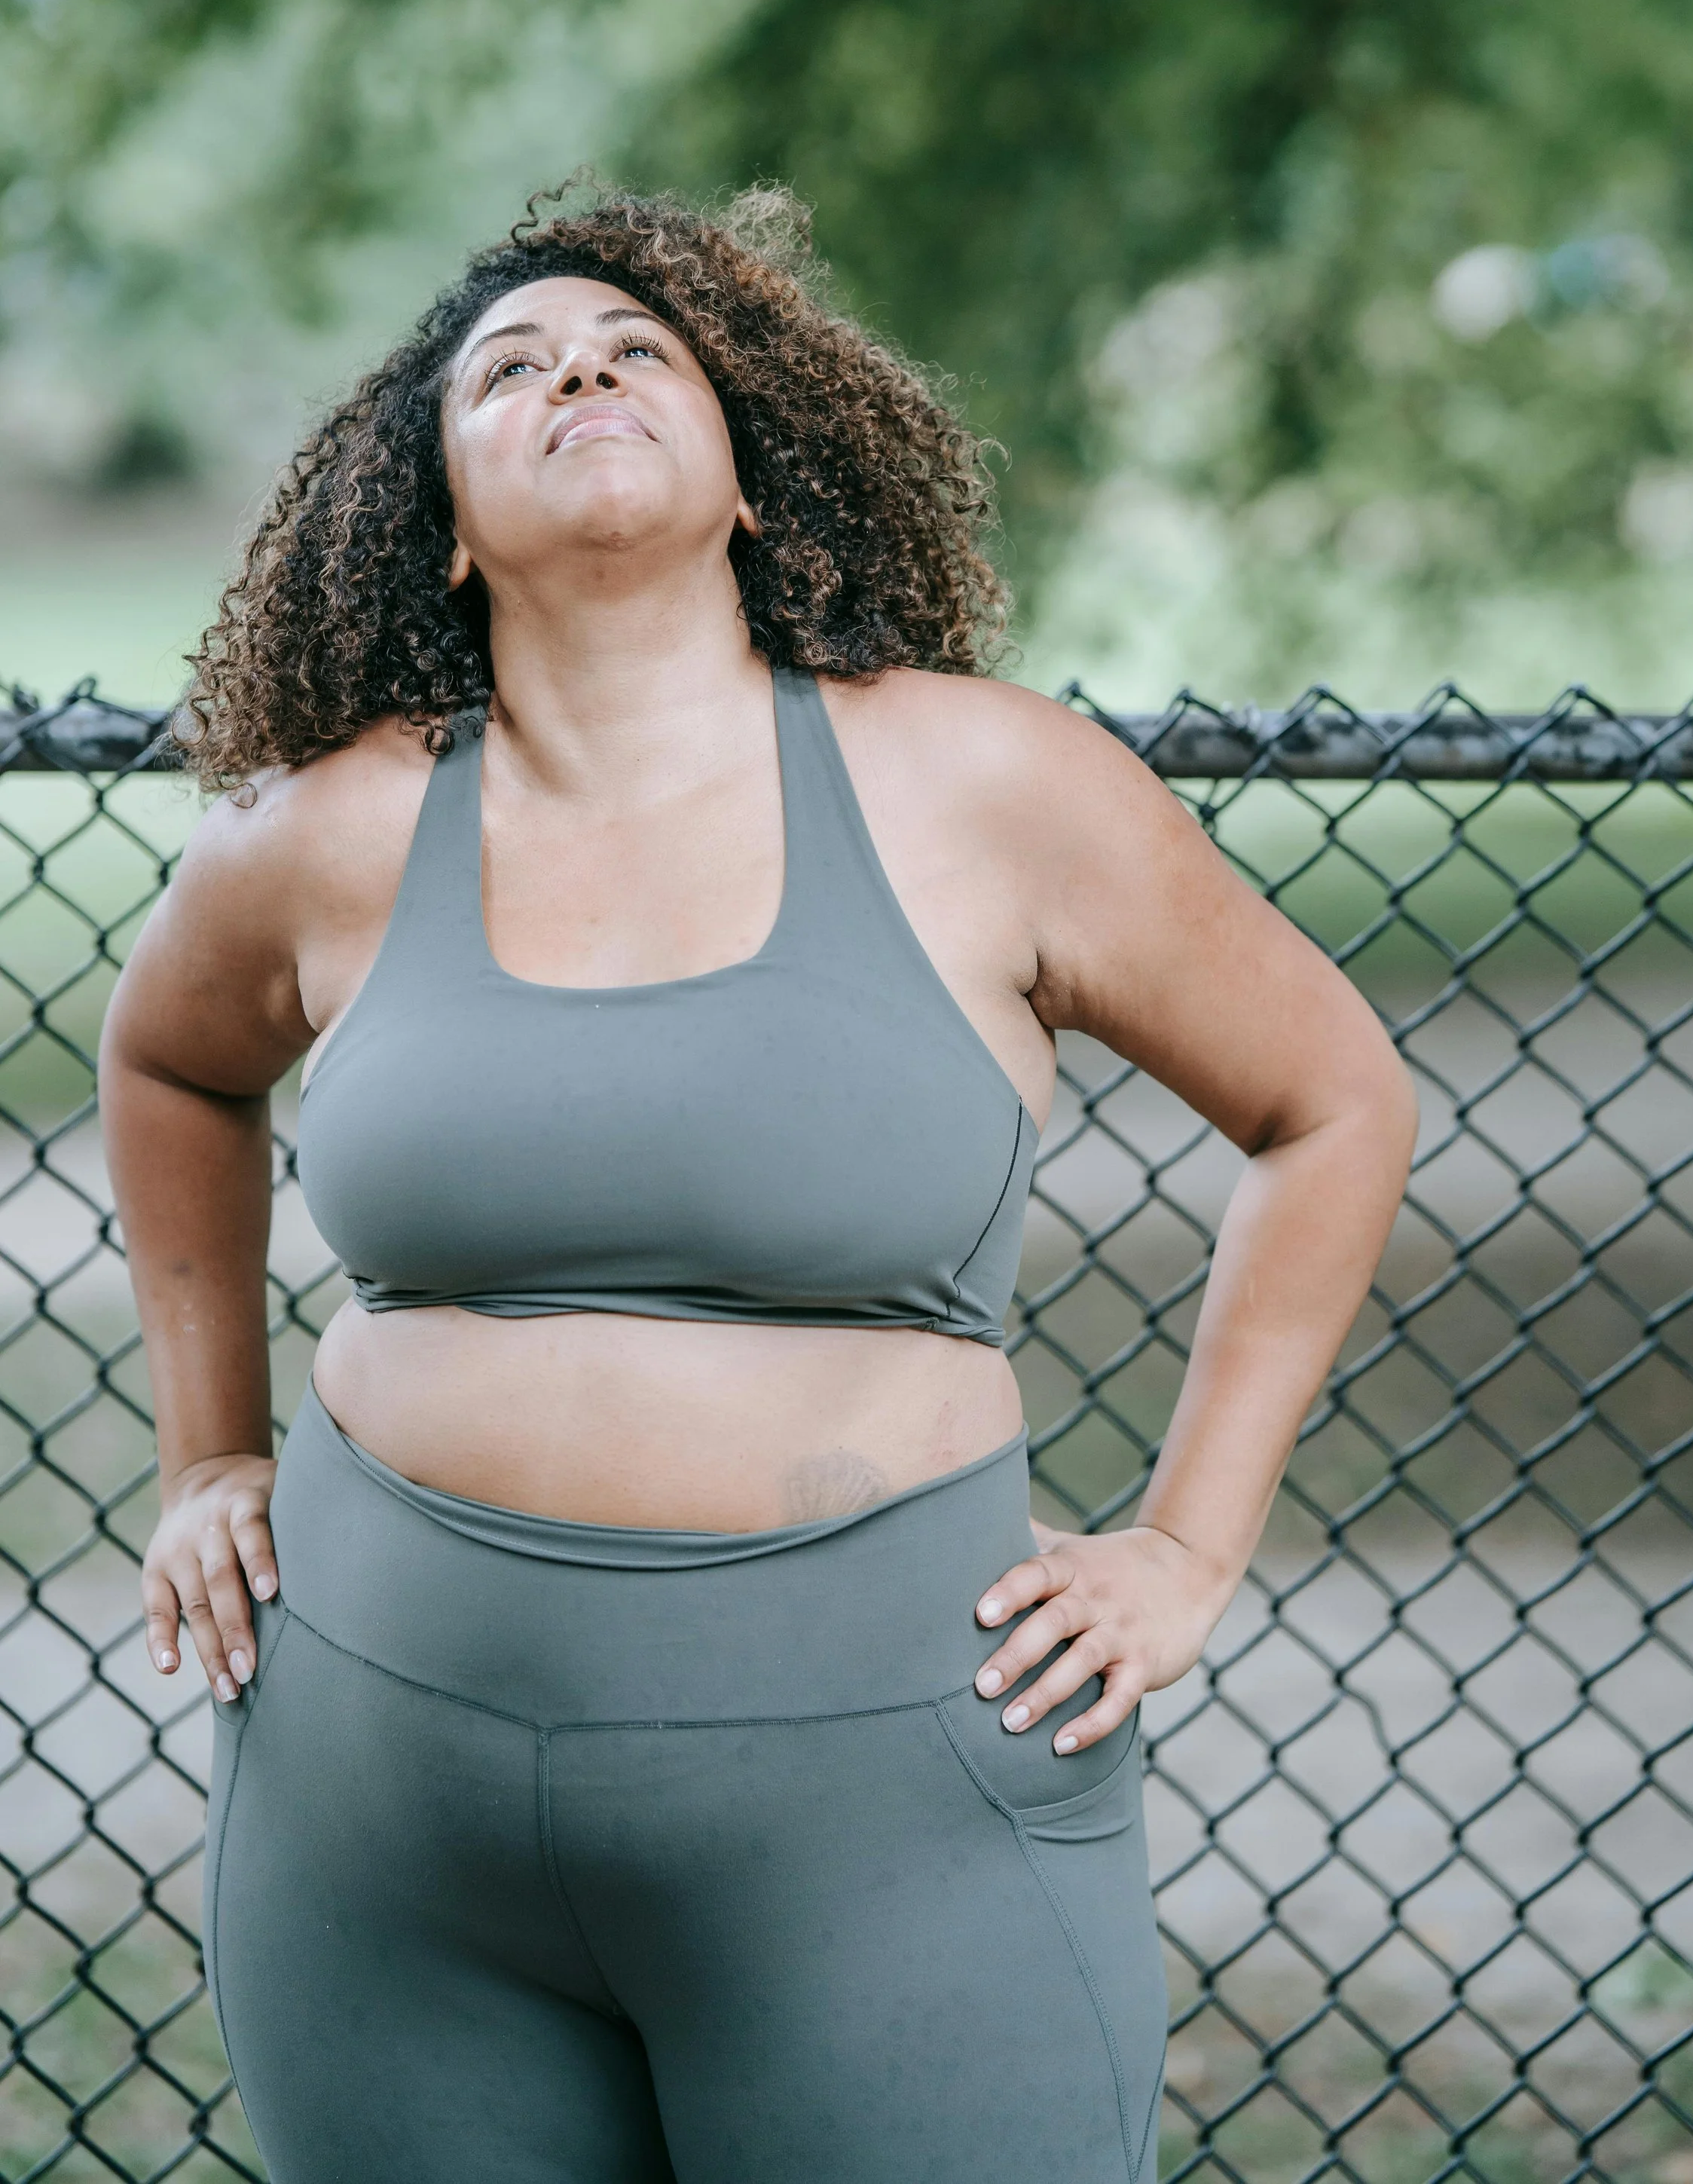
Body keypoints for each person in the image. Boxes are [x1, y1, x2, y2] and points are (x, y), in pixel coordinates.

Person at [100, 185, 1416, 2184]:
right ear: (442, 513)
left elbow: (1331, 1100)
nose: (582, 371)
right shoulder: (328, 830)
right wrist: (211, 1454)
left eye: (640, 351)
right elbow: (169, 1058)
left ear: (746, 480)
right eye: (512, 364)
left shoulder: (988, 783)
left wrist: (1185, 1549)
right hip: (381, 1815)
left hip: (884, 1808)